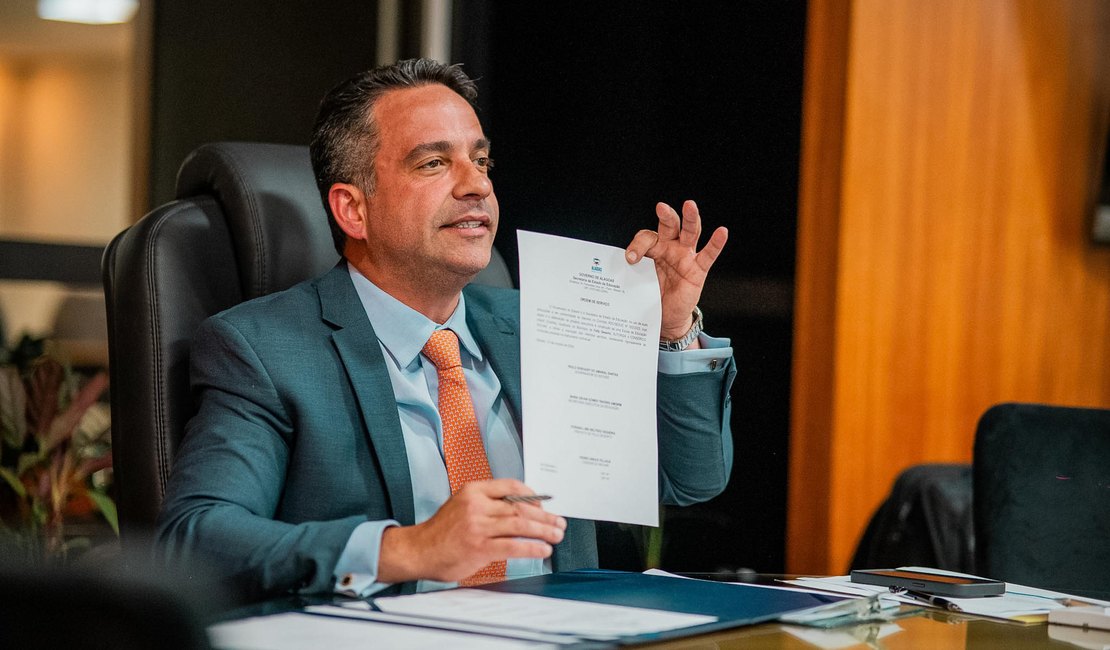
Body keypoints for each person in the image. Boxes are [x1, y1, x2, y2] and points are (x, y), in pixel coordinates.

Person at [157, 59, 736, 598]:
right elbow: (196, 537)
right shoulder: (263, 349)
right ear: (352, 210)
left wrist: (672, 331)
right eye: (435, 163)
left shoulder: (540, 322)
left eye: (481, 161)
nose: (477, 184)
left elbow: (688, 480)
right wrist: (409, 548)